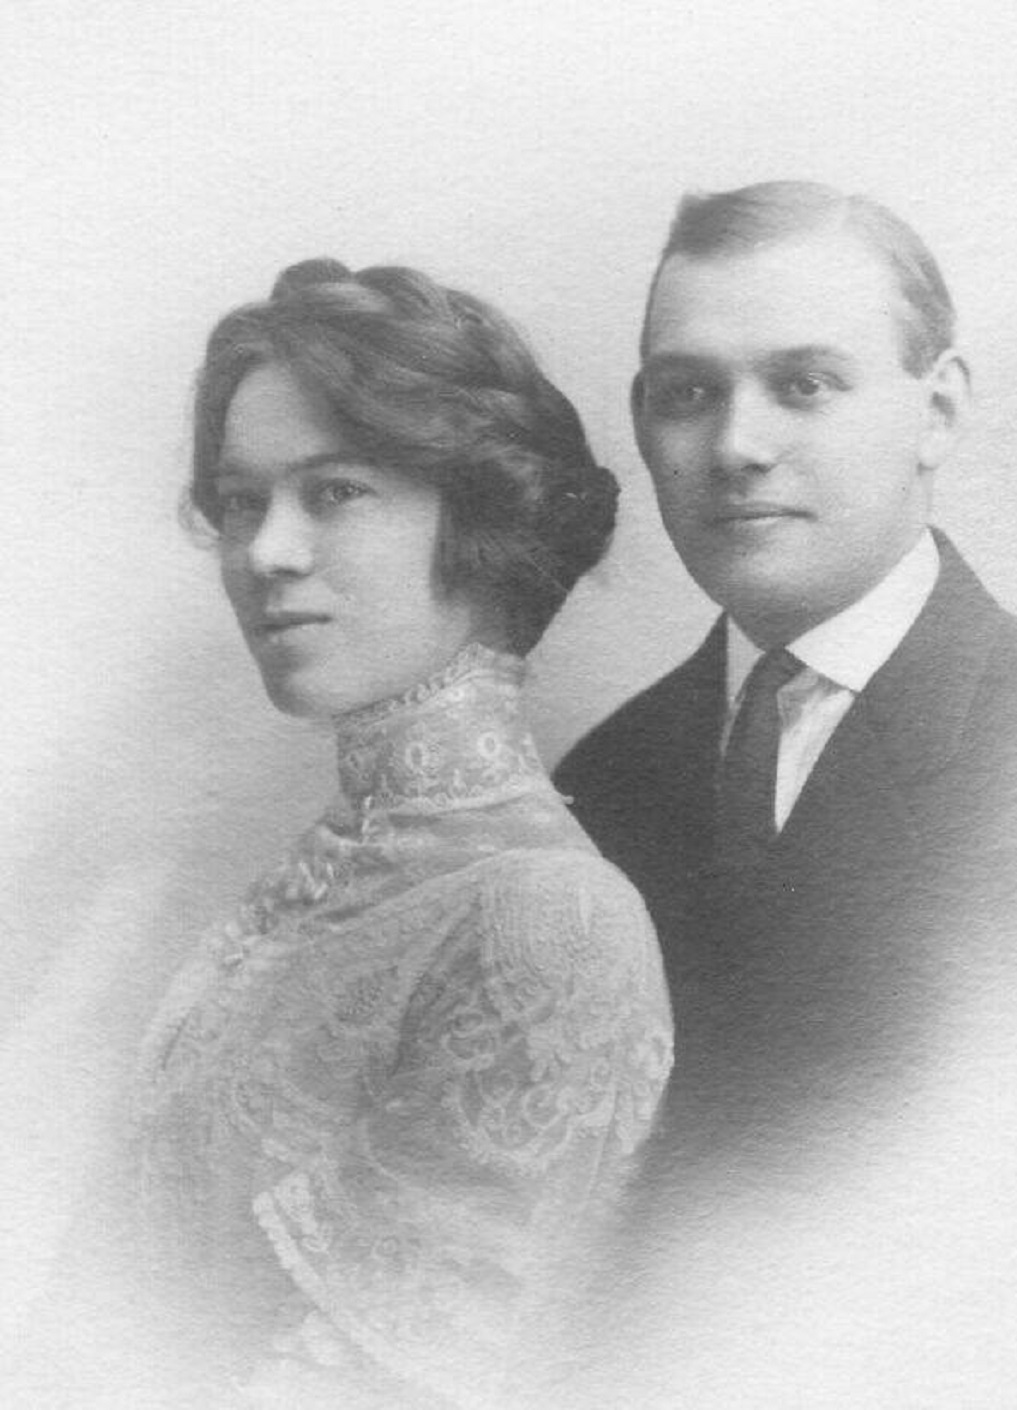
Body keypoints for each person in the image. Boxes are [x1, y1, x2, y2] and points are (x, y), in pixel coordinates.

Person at [121, 260, 672, 1409]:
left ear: (480, 521)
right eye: (239, 500)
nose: (265, 551)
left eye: (334, 493)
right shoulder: (311, 881)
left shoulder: (547, 919)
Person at [554, 181, 1017, 1184]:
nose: (737, 446)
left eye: (805, 385)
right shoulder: (604, 780)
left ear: (938, 412)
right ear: (642, 425)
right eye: (689, 393)